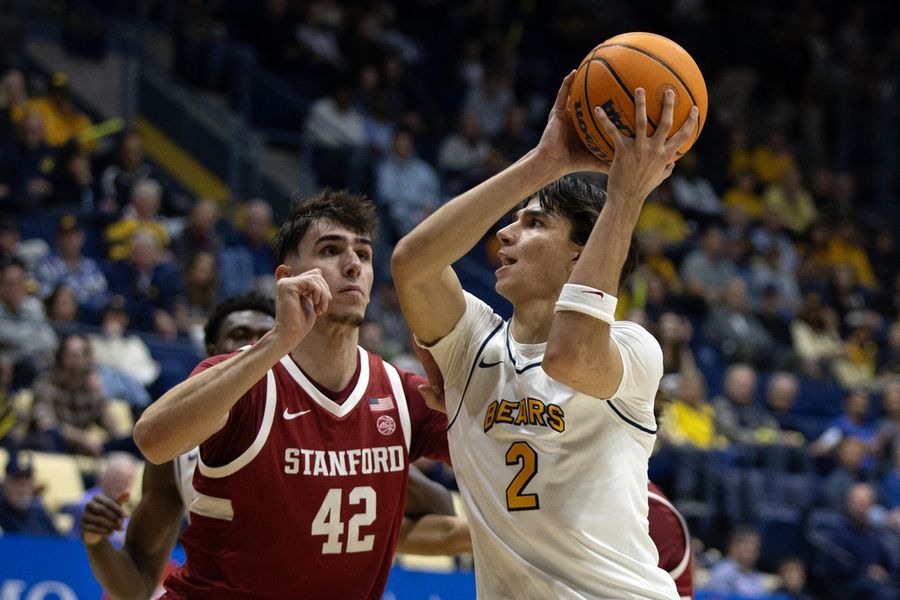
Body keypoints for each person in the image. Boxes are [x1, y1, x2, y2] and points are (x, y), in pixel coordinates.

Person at [391, 69, 698, 598]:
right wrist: (543, 162)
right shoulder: (473, 345)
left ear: (581, 252)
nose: (504, 234)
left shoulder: (634, 348)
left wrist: (623, 200)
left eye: (533, 223)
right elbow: (412, 263)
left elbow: (570, 355)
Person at [132, 192, 452, 599]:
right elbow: (153, 439)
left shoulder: (400, 392)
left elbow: (508, 458)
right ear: (287, 277)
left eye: (364, 255)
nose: (353, 264)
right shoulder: (246, 377)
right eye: (331, 250)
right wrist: (278, 339)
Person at [80, 293, 467, 598]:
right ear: (214, 352)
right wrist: (97, 543)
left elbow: (434, 505)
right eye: (240, 339)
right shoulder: (176, 448)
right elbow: (135, 586)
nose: (255, 348)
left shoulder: (320, 425)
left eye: (269, 336)